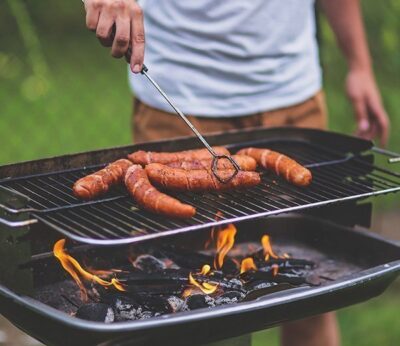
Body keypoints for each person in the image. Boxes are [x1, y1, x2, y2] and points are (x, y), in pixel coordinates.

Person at [82, 1, 390, 345]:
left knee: (310, 294)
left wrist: (359, 65)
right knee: (190, 307)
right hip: (176, 102)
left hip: (292, 98)